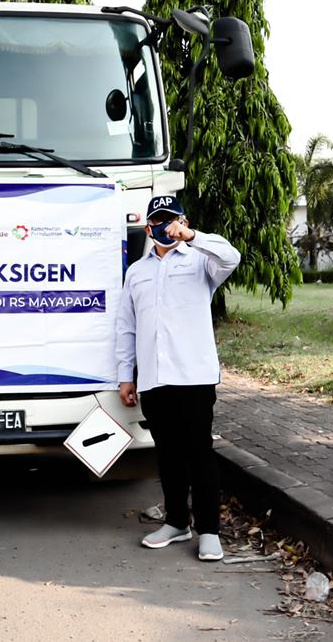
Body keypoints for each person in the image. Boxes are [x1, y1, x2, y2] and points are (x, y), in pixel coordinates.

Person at [115, 194, 241, 562]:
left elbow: (231, 256)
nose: (165, 227)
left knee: (199, 454)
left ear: (183, 221)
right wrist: (126, 377)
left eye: (172, 220)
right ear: (148, 226)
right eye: (159, 221)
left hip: (194, 376)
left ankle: (209, 531)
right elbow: (127, 328)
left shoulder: (203, 261)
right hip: (154, 379)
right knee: (168, 456)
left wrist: (193, 236)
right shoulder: (136, 272)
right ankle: (175, 522)